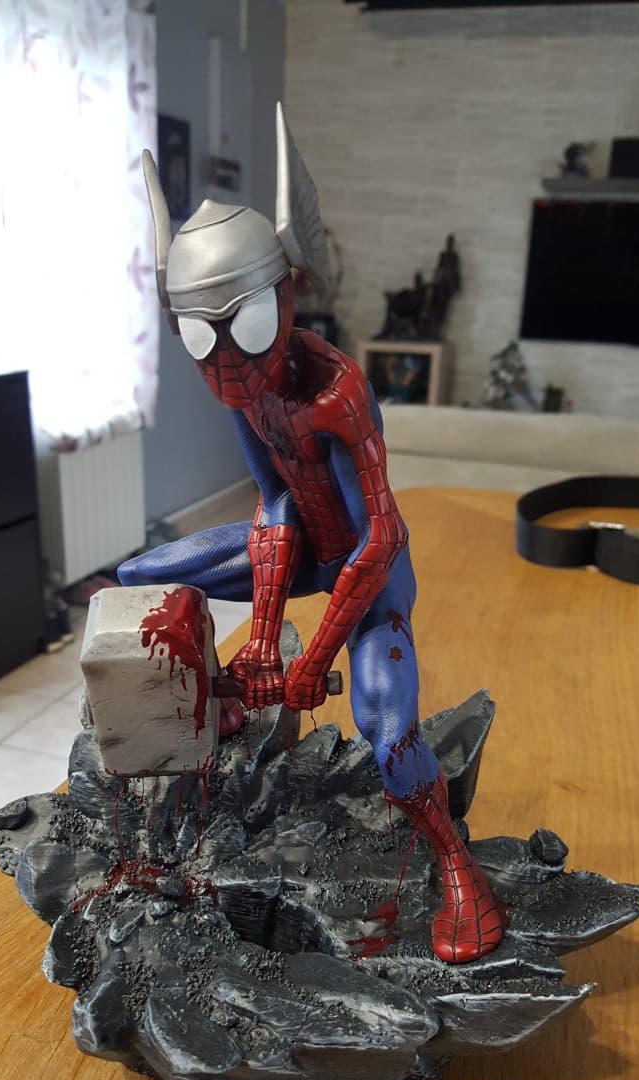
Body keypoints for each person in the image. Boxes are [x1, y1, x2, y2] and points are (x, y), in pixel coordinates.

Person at [119, 106, 504, 964]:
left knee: (390, 735)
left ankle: (453, 864)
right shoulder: (242, 390)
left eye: (243, 326)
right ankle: (216, 712)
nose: (228, 363)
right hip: (301, 554)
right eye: (201, 337)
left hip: (370, 579)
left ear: (286, 294)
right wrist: (260, 639)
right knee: (140, 578)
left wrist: (313, 653)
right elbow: (272, 505)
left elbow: (380, 536)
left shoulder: (335, 390)